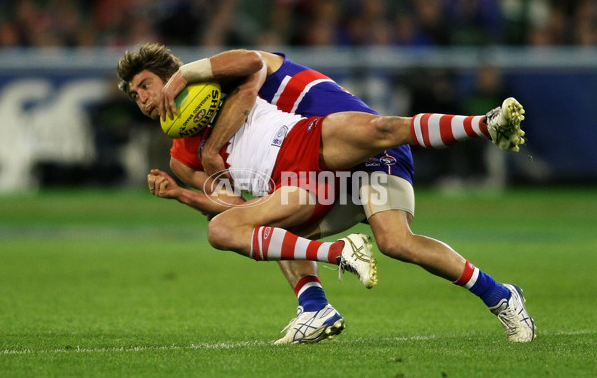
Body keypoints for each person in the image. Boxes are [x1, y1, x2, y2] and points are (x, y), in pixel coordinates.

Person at [117, 43, 535, 343]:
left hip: (360, 151)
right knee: (264, 225)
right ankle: (314, 305)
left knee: (394, 240)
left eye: (146, 85)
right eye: (135, 95)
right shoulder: (180, 152)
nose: (143, 99)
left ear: (173, 75)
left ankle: (499, 290)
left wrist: (189, 76)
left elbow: (253, 63)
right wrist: (183, 193)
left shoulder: (232, 76)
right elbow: (234, 208)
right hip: (307, 180)